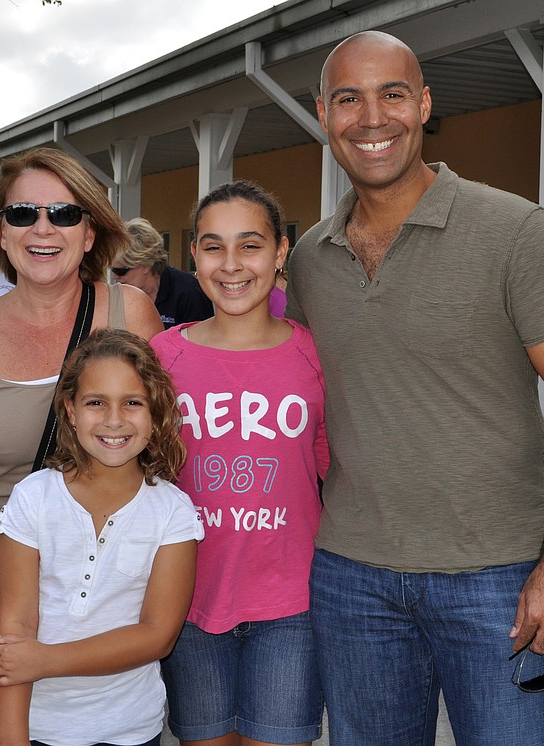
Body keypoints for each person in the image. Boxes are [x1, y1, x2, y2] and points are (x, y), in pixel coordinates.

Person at [285, 31, 544, 745]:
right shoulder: (310, 258)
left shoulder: (514, 231)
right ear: (323, 115)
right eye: (349, 98)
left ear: (425, 105)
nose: (372, 118)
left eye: (393, 94)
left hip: (497, 579)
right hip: (351, 579)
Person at [0, 147, 163, 745]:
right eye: (23, 214)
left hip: (121, 592)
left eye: (63, 214)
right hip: (11, 594)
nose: (43, 229)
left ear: (90, 228)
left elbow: (171, 445)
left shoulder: (134, 315)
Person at [151, 180, 328, 746]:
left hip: (291, 606)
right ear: (194, 257)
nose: (231, 265)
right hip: (188, 602)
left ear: (280, 253)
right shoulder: (162, 358)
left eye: (249, 245)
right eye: (212, 246)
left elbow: (336, 474)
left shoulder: (315, 356)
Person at [0, 328, 203, 746]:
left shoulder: (173, 513)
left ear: (156, 412)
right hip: (36, 728)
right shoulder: (33, 498)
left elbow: (157, 636)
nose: (113, 420)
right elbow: (14, 634)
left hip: (128, 730)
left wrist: (45, 660)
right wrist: (12, 738)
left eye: (132, 403)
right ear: (70, 410)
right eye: (96, 402)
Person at [111, 217, 213, 329]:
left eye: (120, 271)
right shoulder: (120, 298)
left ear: (145, 265)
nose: (114, 276)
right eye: (112, 270)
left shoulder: (188, 294)